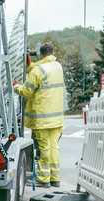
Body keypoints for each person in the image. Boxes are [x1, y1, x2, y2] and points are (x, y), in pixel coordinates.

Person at [14, 42, 65, 188]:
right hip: (57, 117)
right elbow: (38, 70)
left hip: (43, 118)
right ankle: (55, 178)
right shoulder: (57, 66)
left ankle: (43, 179)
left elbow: (26, 91)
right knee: (54, 147)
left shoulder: (38, 70)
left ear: (41, 53)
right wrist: (30, 65)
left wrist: (15, 86)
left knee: (44, 149)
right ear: (51, 52)